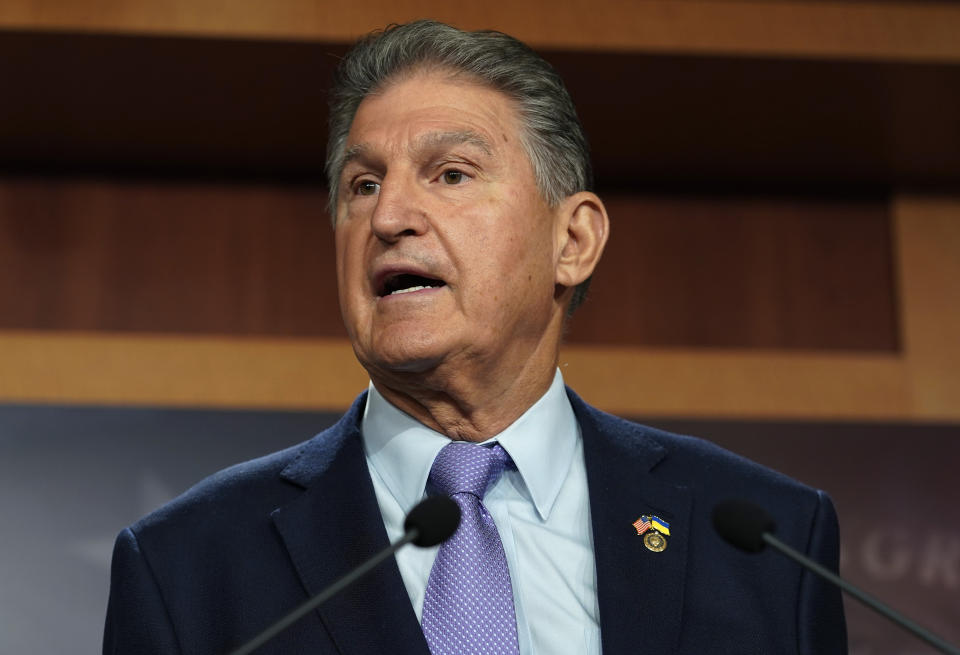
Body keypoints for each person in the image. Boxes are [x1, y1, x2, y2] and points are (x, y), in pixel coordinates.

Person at [104, 20, 846, 655]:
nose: (390, 215)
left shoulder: (765, 542)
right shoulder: (188, 566)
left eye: (451, 174)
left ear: (574, 239)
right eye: (363, 185)